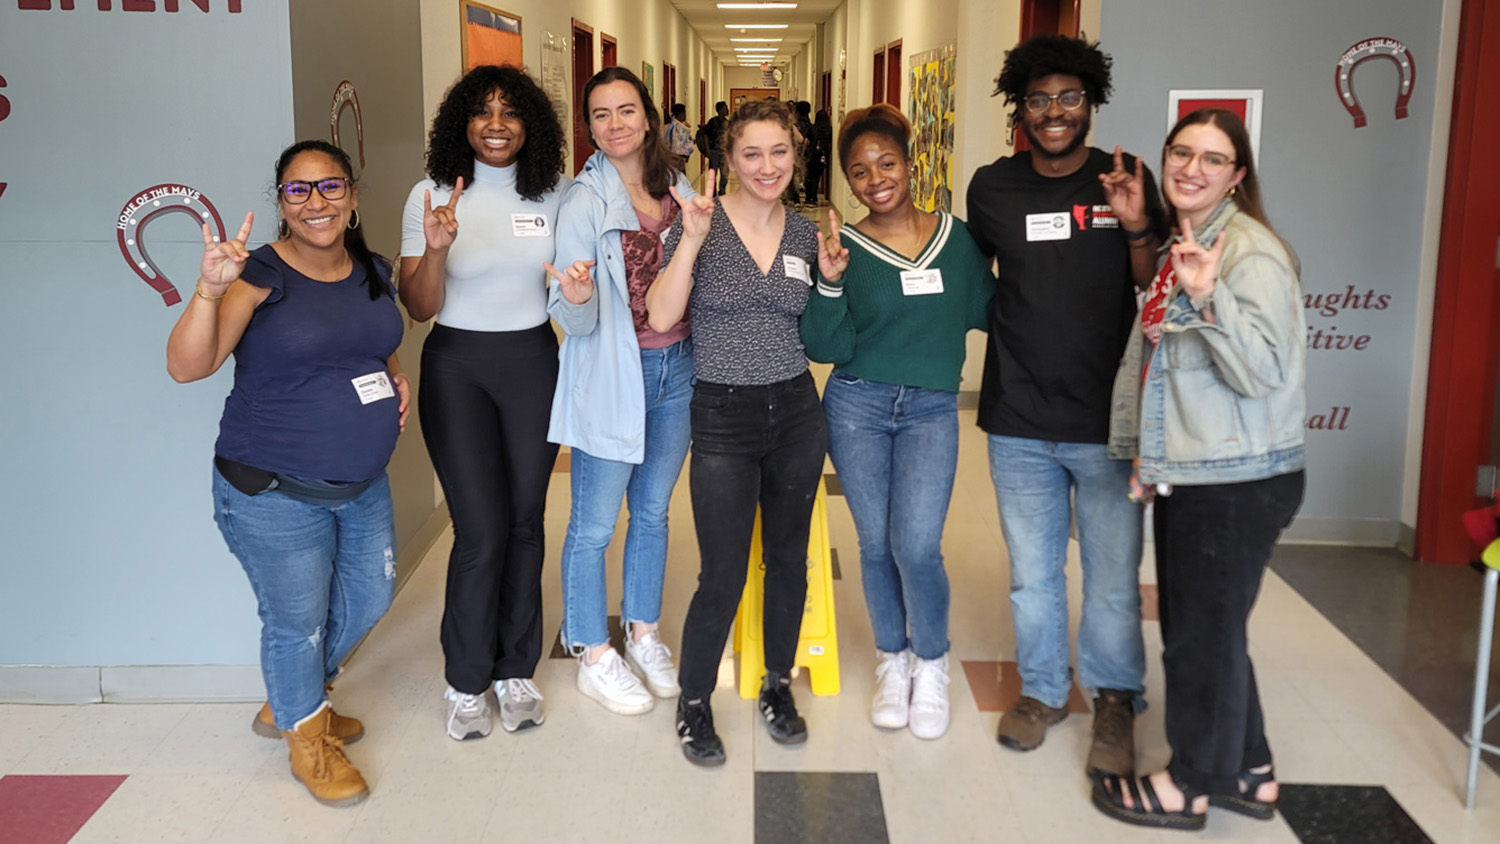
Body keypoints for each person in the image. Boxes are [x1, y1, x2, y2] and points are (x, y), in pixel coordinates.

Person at [166, 139, 408, 807]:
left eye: (329, 187)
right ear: (281, 203)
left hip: (360, 487)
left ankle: (294, 696)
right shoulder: (257, 276)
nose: (316, 202)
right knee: (296, 623)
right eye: (298, 190)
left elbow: (370, 344)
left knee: (370, 600)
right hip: (271, 489)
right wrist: (208, 291)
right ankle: (307, 735)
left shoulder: (373, 269)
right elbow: (189, 365)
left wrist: (390, 379)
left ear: (353, 197)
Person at [1093, 108, 1305, 831]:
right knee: (1211, 628)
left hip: (1234, 480)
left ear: (1238, 175)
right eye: (1181, 152)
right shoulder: (1192, 236)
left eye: (1212, 159)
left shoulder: (1248, 253)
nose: (1191, 168)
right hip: (1204, 468)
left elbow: (1265, 372)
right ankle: (1253, 770)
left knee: (1197, 638)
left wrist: (1210, 297)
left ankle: (1190, 784)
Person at [965, 34, 1165, 777]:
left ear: (1091, 102)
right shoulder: (991, 187)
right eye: (1040, 99)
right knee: (1033, 572)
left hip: (1106, 421)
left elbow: (1150, 282)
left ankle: (1115, 699)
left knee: (1114, 575)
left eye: (1069, 98)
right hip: (1018, 416)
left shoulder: (1127, 177)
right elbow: (977, 277)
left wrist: (1136, 221)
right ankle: (1046, 690)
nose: (1054, 112)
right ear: (1020, 108)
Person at [800, 104, 994, 740]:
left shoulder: (957, 239)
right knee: (875, 544)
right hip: (856, 404)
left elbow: (996, 313)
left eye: (886, 163)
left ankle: (931, 662)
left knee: (917, 544)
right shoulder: (844, 248)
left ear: (911, 164)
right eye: (859, 172)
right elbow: (825, 346)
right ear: (848, 182)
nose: (875, 179)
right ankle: (893, 660)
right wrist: (829, 285)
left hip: (932, 409)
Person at [646, 98, 825, 766]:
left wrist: (833, 285)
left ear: (796, 153)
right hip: (722, 413)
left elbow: (820, 327)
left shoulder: (806, 235)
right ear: (727, 159)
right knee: (721, 570)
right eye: (751, 153)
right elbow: (662, 315)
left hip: (797, 411)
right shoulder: (697, 223)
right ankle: (695, 701)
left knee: (789, 559)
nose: (767, 166)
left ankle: (777, 684)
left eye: (779, 151)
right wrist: (689, 240)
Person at [399, 65, 567, 741]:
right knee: (480, 529)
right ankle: (467, 681)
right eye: (482, 112)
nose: (496, 125)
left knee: (527, 520)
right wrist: (437, 247)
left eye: (510, 112)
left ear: (531, 124)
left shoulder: (553, 192)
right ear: (460, 123)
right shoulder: (431, 194)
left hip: (532, 362)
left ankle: (514, 669)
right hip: (457, 367)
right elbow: (418, 306)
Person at [546, 67, 695, 717]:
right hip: (614, 372)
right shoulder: (583, 200)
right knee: (595, 522)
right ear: (589, 125)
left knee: (655, 511)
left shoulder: (678, 186)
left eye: (626, 110)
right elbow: (572, 312)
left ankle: (642, 631)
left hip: (677, 370)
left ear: (649, 115)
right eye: (600, 114)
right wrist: (575, 299)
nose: (615, 125)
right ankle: (591, 650)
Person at [803, 108, 832, 208]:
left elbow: (806, 142)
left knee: (808, 177)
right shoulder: (828, 130)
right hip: (822, 157)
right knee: (816, 178)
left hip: (811, 155)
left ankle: (808, 198)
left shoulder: (812, 128)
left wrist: (803, 153)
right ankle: (813, 198)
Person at [702, 100, 730, 194]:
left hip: (725, 152)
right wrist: (707, 149)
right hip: (714, 151)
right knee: (713, 173)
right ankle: (713, 193)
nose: (727, 110)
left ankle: (722, 192)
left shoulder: (728, 123)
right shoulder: (713, 122)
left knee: (724, 174)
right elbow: (705, 134)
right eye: (725, 108)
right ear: (720, 110)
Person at [665, 102, 696, 173]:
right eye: (684, 113)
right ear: (681, 114)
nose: (685, 115)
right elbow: (686, 148)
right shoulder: (680, 129)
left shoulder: (669, 125)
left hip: (668, 158)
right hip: (678, 159)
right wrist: (691, 142)